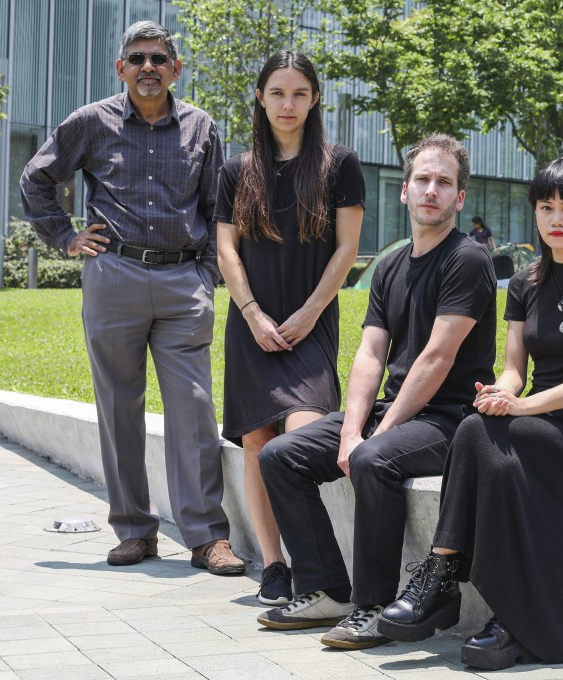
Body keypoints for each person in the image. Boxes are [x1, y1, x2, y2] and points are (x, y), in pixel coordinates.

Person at [377, 157, 563, 670]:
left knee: (478, 435)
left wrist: (521, 406)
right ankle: (480, 597)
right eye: (546, 207)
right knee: (477, 427)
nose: (556, 218)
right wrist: (500, 393)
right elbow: (515, 366)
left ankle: (442, 576)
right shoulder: (524, 282)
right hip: (539, 418)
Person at [255, 134, 497, 650]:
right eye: (423, 180)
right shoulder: (389, 267)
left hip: (452, 419)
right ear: (405, 191)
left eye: (444, 182)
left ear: (459, 198)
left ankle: (374, 607)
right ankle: (328, 591)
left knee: (374, 460)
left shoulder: (468, 260)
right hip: (399, 410)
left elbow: (437, 358)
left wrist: (376, 435)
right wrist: (350, 430)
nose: (432, 190)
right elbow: (370, 355)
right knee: (280, 456)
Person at [20, 21, 243, 574]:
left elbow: (219, 208)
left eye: (159, 59)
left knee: (192, 409)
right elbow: (35, 178)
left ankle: (206, 536)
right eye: (138, 58)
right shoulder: (90, 122)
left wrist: (208, 275)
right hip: (113, 274)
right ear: (121, 68)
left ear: (176, 68)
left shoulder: (201, 128)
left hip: (181, 283)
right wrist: (66, 236)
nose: (149, 67)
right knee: (118, 404)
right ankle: (135, 530)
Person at [214, 51, 365, 605]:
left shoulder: (339, 164)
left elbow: (347, 249)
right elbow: (226, 249)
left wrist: (307, 313)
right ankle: (275, 565)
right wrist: (253, 313)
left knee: (301, 437)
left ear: (315, 99)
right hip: (251, 322)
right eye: (278, 92)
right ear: (260, 97)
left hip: (310, 322)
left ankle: (316, 567)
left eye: (299, 93)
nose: (288, 103)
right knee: (257, 441)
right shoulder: (236, 170)